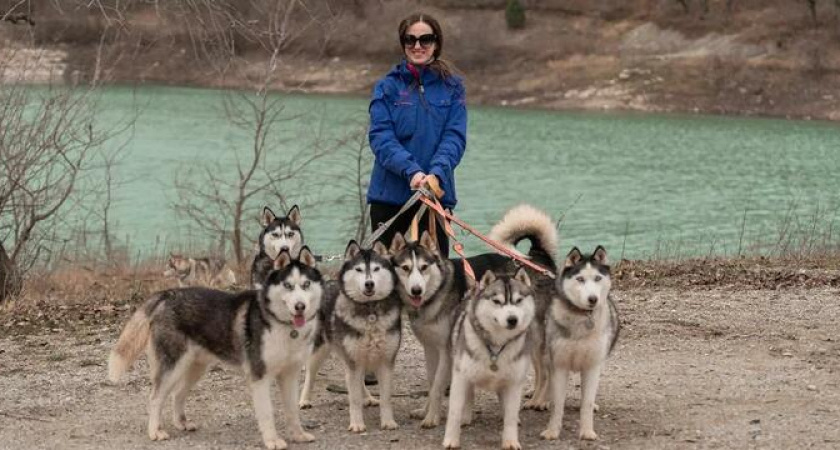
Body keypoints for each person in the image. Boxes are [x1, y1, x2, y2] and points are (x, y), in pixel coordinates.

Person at [367, 12, 467, 258]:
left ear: (436, 43)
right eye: (410, 40)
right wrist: (411, 171)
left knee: (436, 282)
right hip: (389, 199)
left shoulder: (453, 87)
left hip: (435, 197)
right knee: (384, 279)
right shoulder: (386, 87)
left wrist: (436, 172)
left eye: (425, 39)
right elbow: (381, 138)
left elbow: (455, 137)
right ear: (403, 44)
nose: (417, 46)